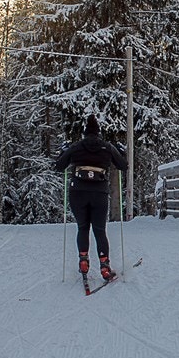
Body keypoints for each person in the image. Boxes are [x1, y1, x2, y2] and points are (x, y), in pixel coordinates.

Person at [52, 114, 128, 280]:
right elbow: (123, 166)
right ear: (98, 133)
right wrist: (122, 151)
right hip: (99, 192)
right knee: (100, 230)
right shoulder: (107, 147)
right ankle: (105, 265)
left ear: (85, 133)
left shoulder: (76, 147)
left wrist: (63, 151)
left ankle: (83, 260)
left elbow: (59, 166)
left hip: (78, 191)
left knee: (82, 227)